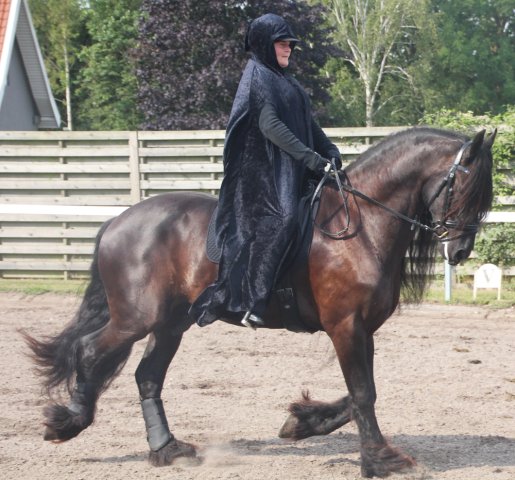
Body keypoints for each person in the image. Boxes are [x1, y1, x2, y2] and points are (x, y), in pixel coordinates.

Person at [189, 13, 341, 328]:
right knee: (283, 218)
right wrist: (311, 159)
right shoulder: (257, 76)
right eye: (282, 43)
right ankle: (255, 300)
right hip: (263, 175)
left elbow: (308, 124)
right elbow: (269, 125)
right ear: (263, 44)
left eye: (290, 44)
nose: (289, 48)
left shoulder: (288, 81)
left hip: (292, 169)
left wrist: (329, 150)